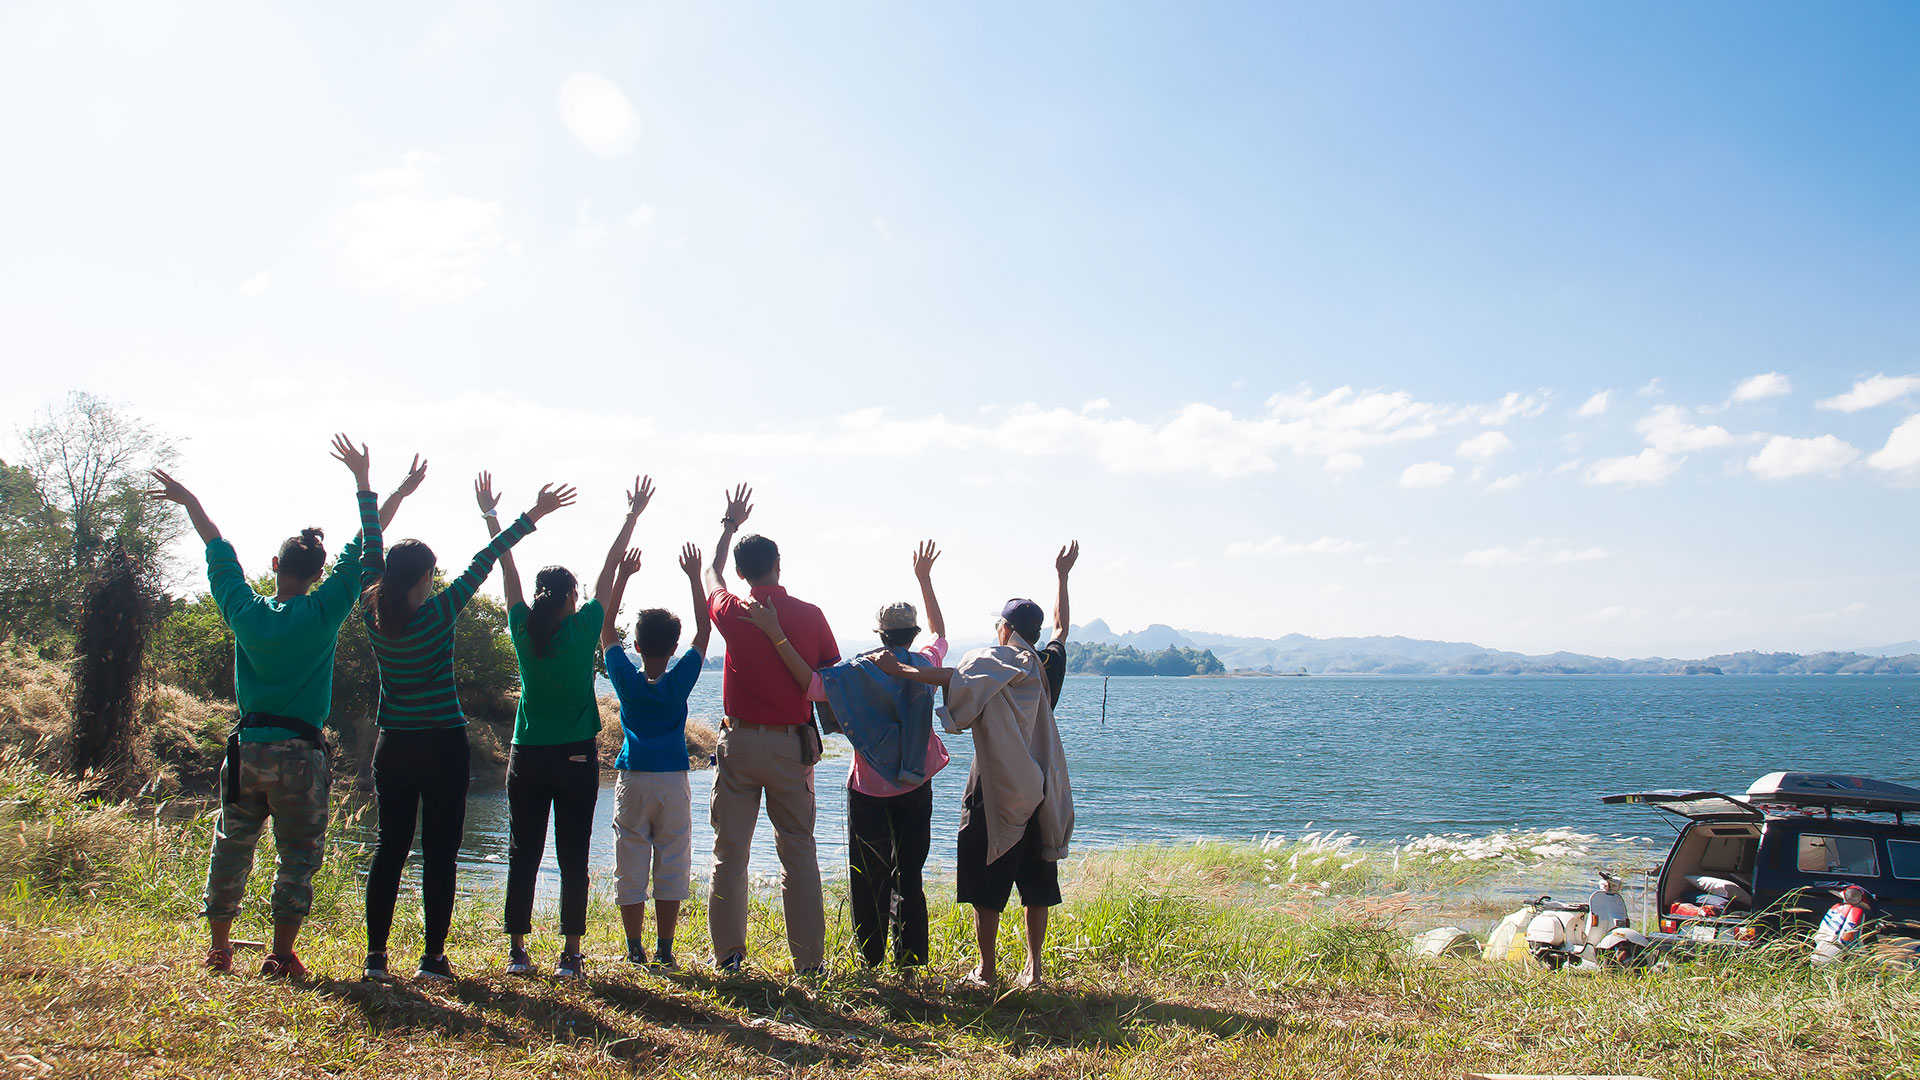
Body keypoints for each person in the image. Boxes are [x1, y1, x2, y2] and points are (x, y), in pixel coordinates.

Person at [147, 434, 420, 980]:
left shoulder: (244, 610)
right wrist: (390, 490)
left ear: (275, 564)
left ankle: (220, 948)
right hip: (301, 753)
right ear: (320, 573)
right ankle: (280, 952)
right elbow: (368, 542)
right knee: (297, 856)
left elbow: (216, 547)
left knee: (231, 847)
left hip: (247, 749)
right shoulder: (325, 609)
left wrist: (189, 501)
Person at [359, 473, 576, 984]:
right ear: (423, 579)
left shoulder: (373, 612)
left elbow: (372, 545)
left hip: (393, 746)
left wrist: (367, 485)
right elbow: (488, 557)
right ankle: (433, 958)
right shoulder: (439, 612)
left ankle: (375, 958)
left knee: (389, 847)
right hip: (442, 746)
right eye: (431, 574)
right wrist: (535, 514)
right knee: (440, 852)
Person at [874, 540, 1079, 988]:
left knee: (988, 874)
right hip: (1042, 783)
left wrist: (902, 672)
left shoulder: (995, 662)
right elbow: (1062, 628)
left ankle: (986, 969)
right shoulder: (1047, 664)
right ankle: (1034, 968)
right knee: (1037, 875)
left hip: (996, 784)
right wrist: (1063, 576)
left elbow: (954, 677)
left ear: (1005, 628)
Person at [746, 540, 951, 971]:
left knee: (869, 876)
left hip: (869, 790)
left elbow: (810, 683)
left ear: (879, 634)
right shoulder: (924, 661)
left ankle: (871, 957)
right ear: (911, 634)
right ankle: (910, 960)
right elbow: (941, 634)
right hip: (917, 783)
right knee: (909, 874)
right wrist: (925, 579)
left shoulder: (856, 672)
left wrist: (776, 634)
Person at [486, 474, 651, 979]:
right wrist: (632, 515)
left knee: (523, 851)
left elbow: (507, 570)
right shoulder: (583, 631)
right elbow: (608, 572)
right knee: (573, 853)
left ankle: (518, 952)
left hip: (527, 756)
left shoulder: (522, 630)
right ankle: (570, 954)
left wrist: (495, 518)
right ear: (569, 598)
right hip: (576, 757)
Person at [703, 484, 840, 974]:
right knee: (798, 853)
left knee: (730, 853)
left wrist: (727, 527)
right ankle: (808, 965)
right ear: (779, 564)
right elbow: (830, 676)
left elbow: (708, 573)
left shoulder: (733, 610)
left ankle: (729, 959)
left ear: (743, 573)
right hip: (791, 747)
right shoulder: (810, 615)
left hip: (737, 743)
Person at [602, 540, 712, 970]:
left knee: (629, 859)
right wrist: (693, 578)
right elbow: (704, 634)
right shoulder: (679, 679)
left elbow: (606, 631)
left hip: (632, 777)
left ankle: (634, 948)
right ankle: (666, 948)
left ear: (638, 643)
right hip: (672, 780)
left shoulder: (627, 680)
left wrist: (623, 578)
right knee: (672, 858)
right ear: (672, 648)